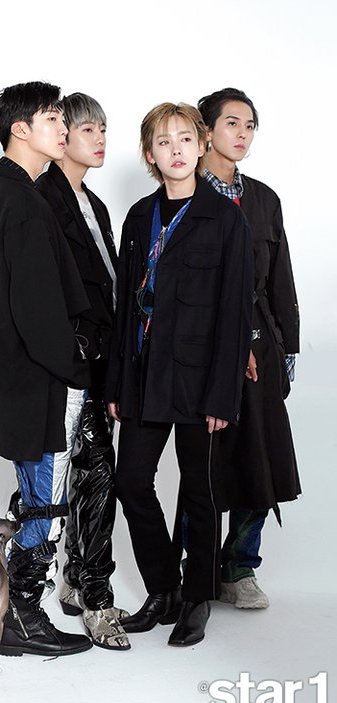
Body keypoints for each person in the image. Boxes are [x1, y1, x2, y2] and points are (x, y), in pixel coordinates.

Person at [105, 102, 254, 646]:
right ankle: (165, 588)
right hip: (145, 377)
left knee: (200, 493)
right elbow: (124, 309)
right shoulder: (139, 217)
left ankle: (197, 599)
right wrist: (118, 384)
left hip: (199, 381)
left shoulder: (226, 219)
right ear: (150, 154)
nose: (176, 150)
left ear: (201, 146)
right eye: (163, 142)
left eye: (185, 139)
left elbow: (235, 315)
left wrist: (222, 396)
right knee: (130, 482)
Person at [0, 81, 94, 657]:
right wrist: (76, 367)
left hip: (17, 382)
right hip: (42, 383)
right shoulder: (22, 202)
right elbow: (34, 308)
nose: (64, 128)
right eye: (53, 118)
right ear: (20, 129)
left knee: (36, 497)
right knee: (46, 505)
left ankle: (10, 614)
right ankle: (21, 618)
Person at [175, 88, 300, 610]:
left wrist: (286, 348)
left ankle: (239, 566)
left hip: (262, 348)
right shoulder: (183, 194)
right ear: (206, 132)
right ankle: (196, 571)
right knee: (205, 465)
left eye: (250, 125)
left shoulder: (264, 199)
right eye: (232, 123)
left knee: (261, 462)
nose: (243, 134)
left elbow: (280, 280)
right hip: (203, 351)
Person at [36, 93, 129, 650]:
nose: (100, 140)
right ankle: (93, 598)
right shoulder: (42, 197)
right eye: (89, 129)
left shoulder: (94, 203)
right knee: (83, 475)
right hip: (66, 362)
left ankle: (78, 582)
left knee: (94, 474)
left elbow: (109, 285)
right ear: (62, 135)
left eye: (103, 130)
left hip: (101, 361)